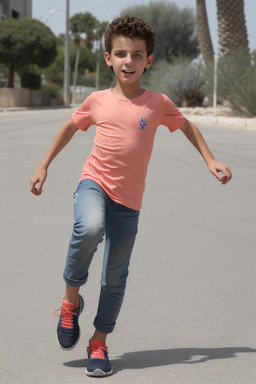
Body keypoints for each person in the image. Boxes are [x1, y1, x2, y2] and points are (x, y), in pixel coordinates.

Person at [30, 15, 232, 377]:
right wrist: (44, 165)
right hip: (94, 184)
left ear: (148, 60)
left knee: (115, 276)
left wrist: (210, 158)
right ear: (108, 57)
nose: (128, 61)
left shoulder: (157, 103)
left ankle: (98, 342)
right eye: (121, 53)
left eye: (137, 55)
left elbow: (187, 125)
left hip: (129, 202)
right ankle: (69, 302)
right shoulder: (96, 101)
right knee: (88, 227)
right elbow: (68, 128)